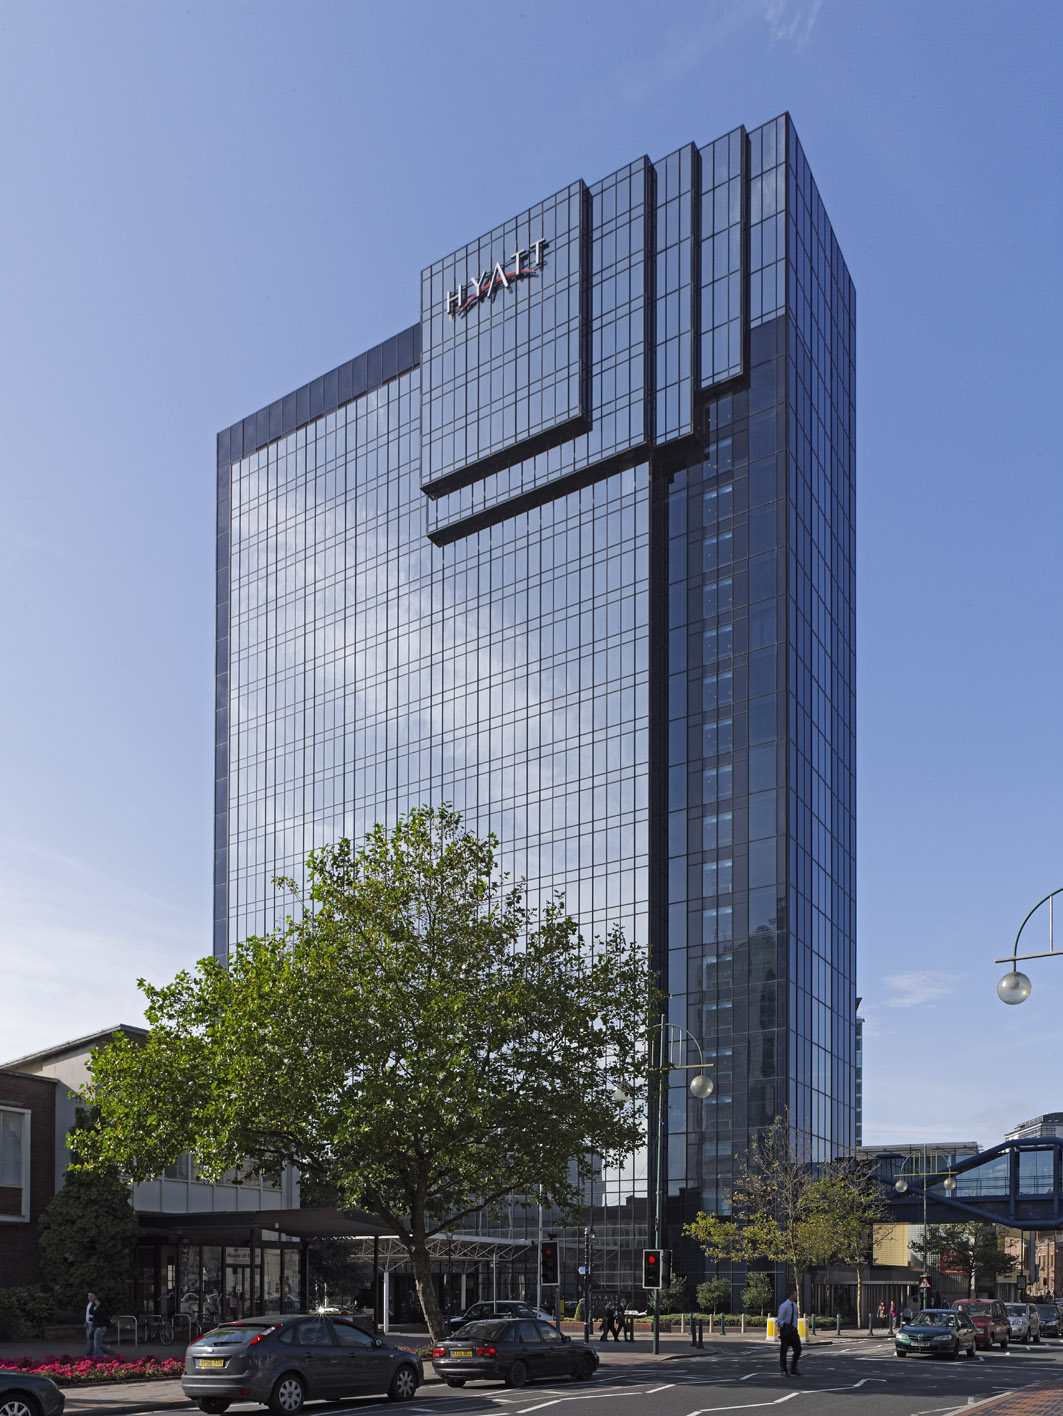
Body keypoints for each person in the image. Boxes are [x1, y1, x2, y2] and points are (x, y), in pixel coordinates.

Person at [777, 1289, 800, 1377]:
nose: (796, 1296)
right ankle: (783, 1369)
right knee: (784, 1350)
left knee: (798, 1348)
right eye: (795, 1294)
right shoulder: (784, 1306)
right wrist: (786, 1326)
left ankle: (793, 1368)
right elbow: (780, 1319)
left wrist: (795, 1327)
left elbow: (794, 1318)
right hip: (786, 1330)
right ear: (791, 1295)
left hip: (793, 1330)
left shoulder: (794, 1305)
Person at [84, 1292, 98, 1357]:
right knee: (89, 1339)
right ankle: (90, 1353)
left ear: (94, 1297)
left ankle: (89, 1354)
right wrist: (86, 1322)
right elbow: (87, 1314)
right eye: (88, 1296)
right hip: (88, 1324)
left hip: (93, 1324)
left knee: (90, 1339)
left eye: (91, 1296)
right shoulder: (89, 1304)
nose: (90, 1297)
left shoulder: (95, 1304)